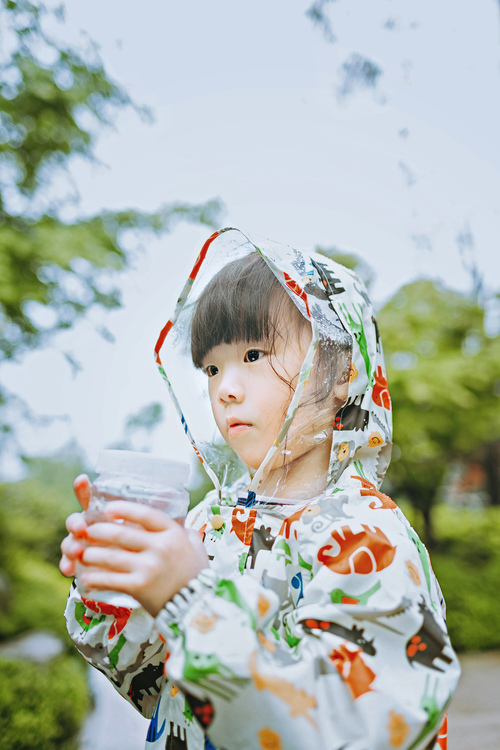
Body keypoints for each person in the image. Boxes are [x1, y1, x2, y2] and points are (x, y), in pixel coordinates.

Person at [60, 228, 460, 750]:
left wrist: (187, 597)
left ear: (341, 369)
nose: (225, 388)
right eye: (211, 366)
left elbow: (355, 730)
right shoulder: (210, 522)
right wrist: (116, 584)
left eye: (253, 355)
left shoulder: (368, 541)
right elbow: (157, 689)